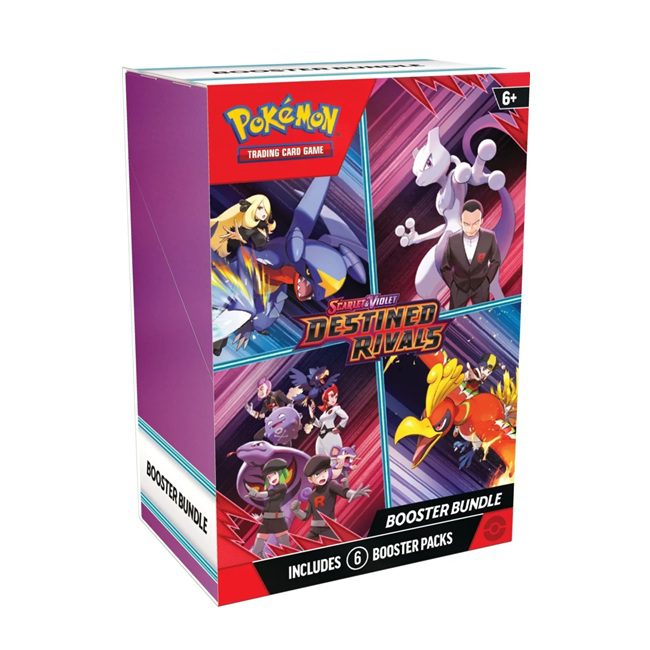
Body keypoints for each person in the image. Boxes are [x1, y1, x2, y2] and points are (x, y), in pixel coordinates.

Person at [291, 455, 370, 540]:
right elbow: (306, 516)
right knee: (301, 546)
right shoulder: (312, 495)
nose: (322, 476)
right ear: (310, 479)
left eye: (325, 472)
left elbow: (344, 492)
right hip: (314, 530)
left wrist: (353, 493)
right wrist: (296, 510)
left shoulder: (331, 485)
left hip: (329, 527)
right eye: (317, 474)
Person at [440, 199, 500, 309]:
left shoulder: (490, 237)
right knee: (453, 318)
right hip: (459, 288)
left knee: (484, 316)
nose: (471, 228)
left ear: (481, 221)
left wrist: (487, 281)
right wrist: (453, 285)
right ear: (461, 221)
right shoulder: (452, 240)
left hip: (481, 286)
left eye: (475, 223)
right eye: (466, 224)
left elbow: (495, 261)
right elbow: (445, 266)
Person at [247, 458, 291, 557]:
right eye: (269, 477)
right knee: (256, 550)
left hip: (277, 520)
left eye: (274, 474)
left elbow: (268, 493)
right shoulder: (272, 488)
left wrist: (257, 494)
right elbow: (268, 506)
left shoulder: (282, 486)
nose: (272, 478)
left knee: (286, 549)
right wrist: (260, 517)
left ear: (280, 473)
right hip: (267, 521)